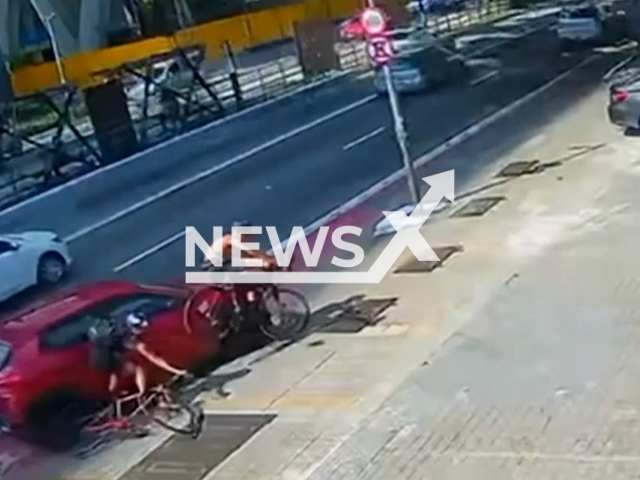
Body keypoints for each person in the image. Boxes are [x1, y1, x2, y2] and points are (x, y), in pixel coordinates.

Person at [89, 312, 188, 400]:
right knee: (137, 367)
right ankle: (142, 394)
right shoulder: (130, 338)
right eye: (142, 329)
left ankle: (112, 396)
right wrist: (177, 371)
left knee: (116, 370)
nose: (144, 331)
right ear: (135, 328)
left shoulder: (120, 323)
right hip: (106, 357)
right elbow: (153, 357)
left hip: (95, 355)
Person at [201, 220, 277, 272]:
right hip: (214, 267)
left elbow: (249, 255)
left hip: (219, 265)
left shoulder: (234, 240)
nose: (249, 236)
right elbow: (252, 251)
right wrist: (270, 260)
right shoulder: (231, 239)